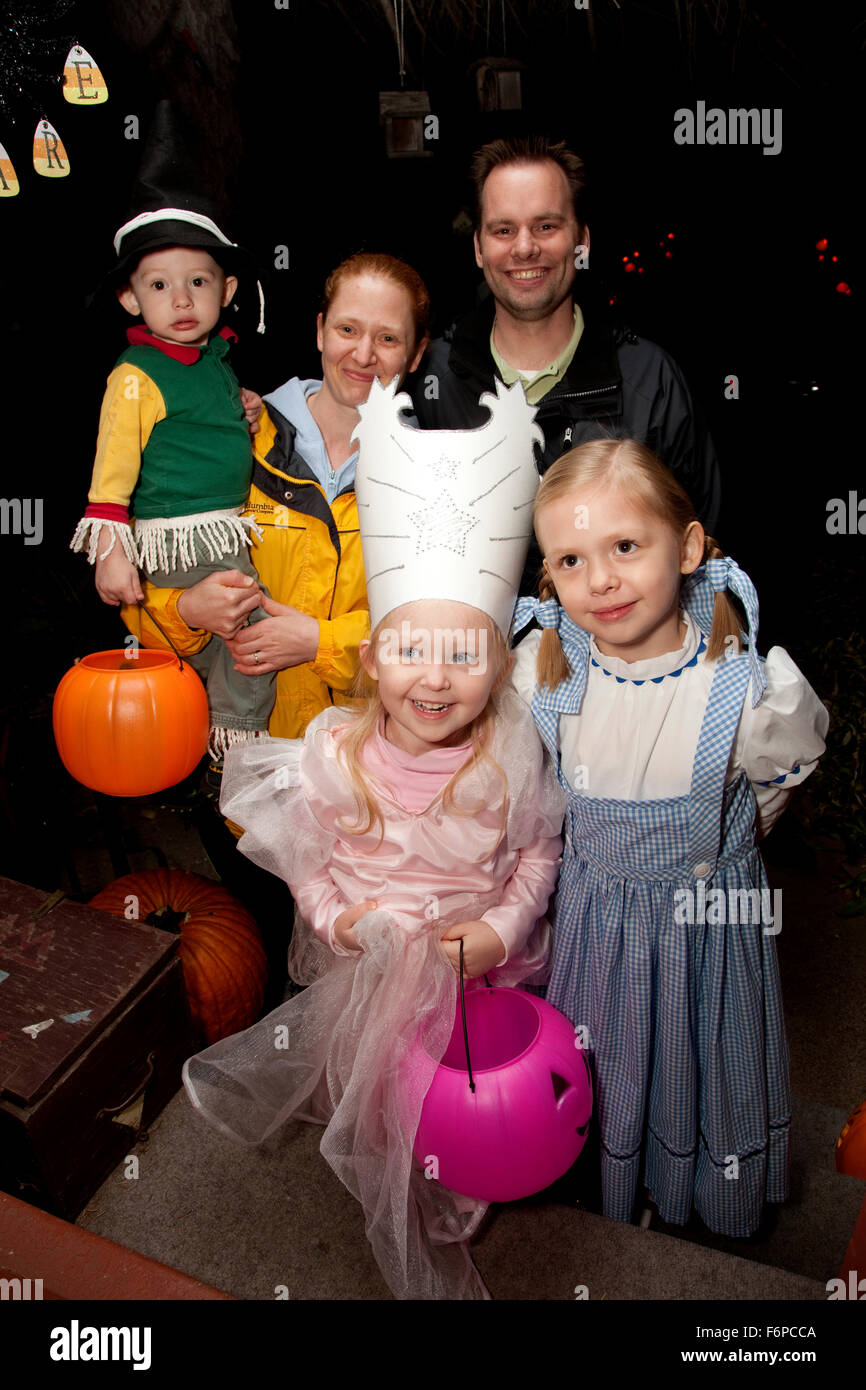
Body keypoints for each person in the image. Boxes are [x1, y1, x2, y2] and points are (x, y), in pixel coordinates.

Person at [181, 377, 565, 1300]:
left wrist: (503, 932)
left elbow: (536, 855)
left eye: (464, 656)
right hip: (366, 974)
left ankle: (462, 1168)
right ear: (368, 656)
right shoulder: (332, 751)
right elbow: (304, 859)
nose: (434, 680)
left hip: (478, 976)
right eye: (408, 651)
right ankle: (403, 1153)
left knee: (462, 1098)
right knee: (383, 1088)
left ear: (500, 667)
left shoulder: (511, 755)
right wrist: (339, 918)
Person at [511, 438, 828, 1239]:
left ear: (686, 547)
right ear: (549, 577)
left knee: (702, 1063)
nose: (603, 580)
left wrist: (714, 855)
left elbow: (768, 796)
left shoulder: (746, 691)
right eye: (572, 561)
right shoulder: (546, 675)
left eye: (625, 546)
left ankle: (694, 1201)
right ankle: (612, 1202)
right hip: (596, 929)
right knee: (605, 1066)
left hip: (705, 937)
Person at [122, 252, 431, 742]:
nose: (364, 354)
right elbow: (137, 595)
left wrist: (322, 643)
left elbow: (443, 635)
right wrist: (185, 612)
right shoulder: (234, 440)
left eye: (388, 338)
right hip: (253, 766)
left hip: (375, 765)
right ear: (320, 331)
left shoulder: (434, 477)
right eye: (347, 330)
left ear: (416, 355)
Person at [411, 135, 722, 588]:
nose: (523, 248)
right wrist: (270, 415)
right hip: (473, 655)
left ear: (581, 240)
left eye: (545, 227)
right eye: (503, 230)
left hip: (617, 656)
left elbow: (704, 553)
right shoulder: (426, 377)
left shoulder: (648, 378)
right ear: (479, 247)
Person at [71, 128, 273, 758]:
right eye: (158, 286)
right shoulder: (136, 375)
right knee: (254, 635)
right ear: (130, 297)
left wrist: (246, 410)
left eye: (198, 283)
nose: (181, 300)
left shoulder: (214, 359)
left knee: (225, 641)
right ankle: (236, 746)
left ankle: (209, 739)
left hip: (221, 526)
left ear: (228, 292)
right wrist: (110, 550)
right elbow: (111, 471)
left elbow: (208, 427)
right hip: (180, 533)